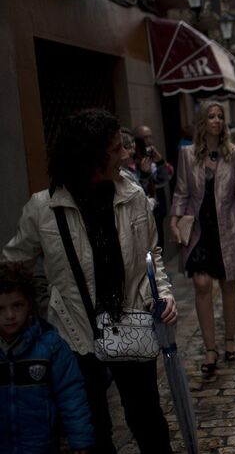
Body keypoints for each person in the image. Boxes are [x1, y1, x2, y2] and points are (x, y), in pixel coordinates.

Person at [2, 109, 176, 453]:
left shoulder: (134, 195)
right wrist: (32, 309)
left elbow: (151, 254)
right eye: (116, 149)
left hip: (132, 323)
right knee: (92, 428)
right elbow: (12, 263)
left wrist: (165, 294)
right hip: (76, 334)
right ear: (91, 155)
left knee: (148, 421)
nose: (126, 154)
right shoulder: (44, 208)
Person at [170, 101, 235, 378]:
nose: (216, 120)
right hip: (198, 229)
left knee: (227, 284)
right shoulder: (187, 154)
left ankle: (230, 339)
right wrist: (175, 217)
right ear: (202, 122)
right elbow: (181, 190)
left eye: (220, 116)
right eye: (211, 116)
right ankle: (210, 348)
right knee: (202, 283)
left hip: (227, 227)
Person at [0, 263, 95, 454]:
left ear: (29, 304)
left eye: (17, 305)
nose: (9, 315)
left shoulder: (51, 346)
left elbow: (71, 395)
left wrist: (80, 439)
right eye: (0, 308)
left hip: (41, 444)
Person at [133, 125, 174, 250]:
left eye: (151, 136)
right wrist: (144, 173)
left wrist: (160, 161)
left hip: (158, 210)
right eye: (145, 137)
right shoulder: (134, 160)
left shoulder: (153, 155)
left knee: (160, 246)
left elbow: (164, 178)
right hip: (143, 214)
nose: (149, 140)